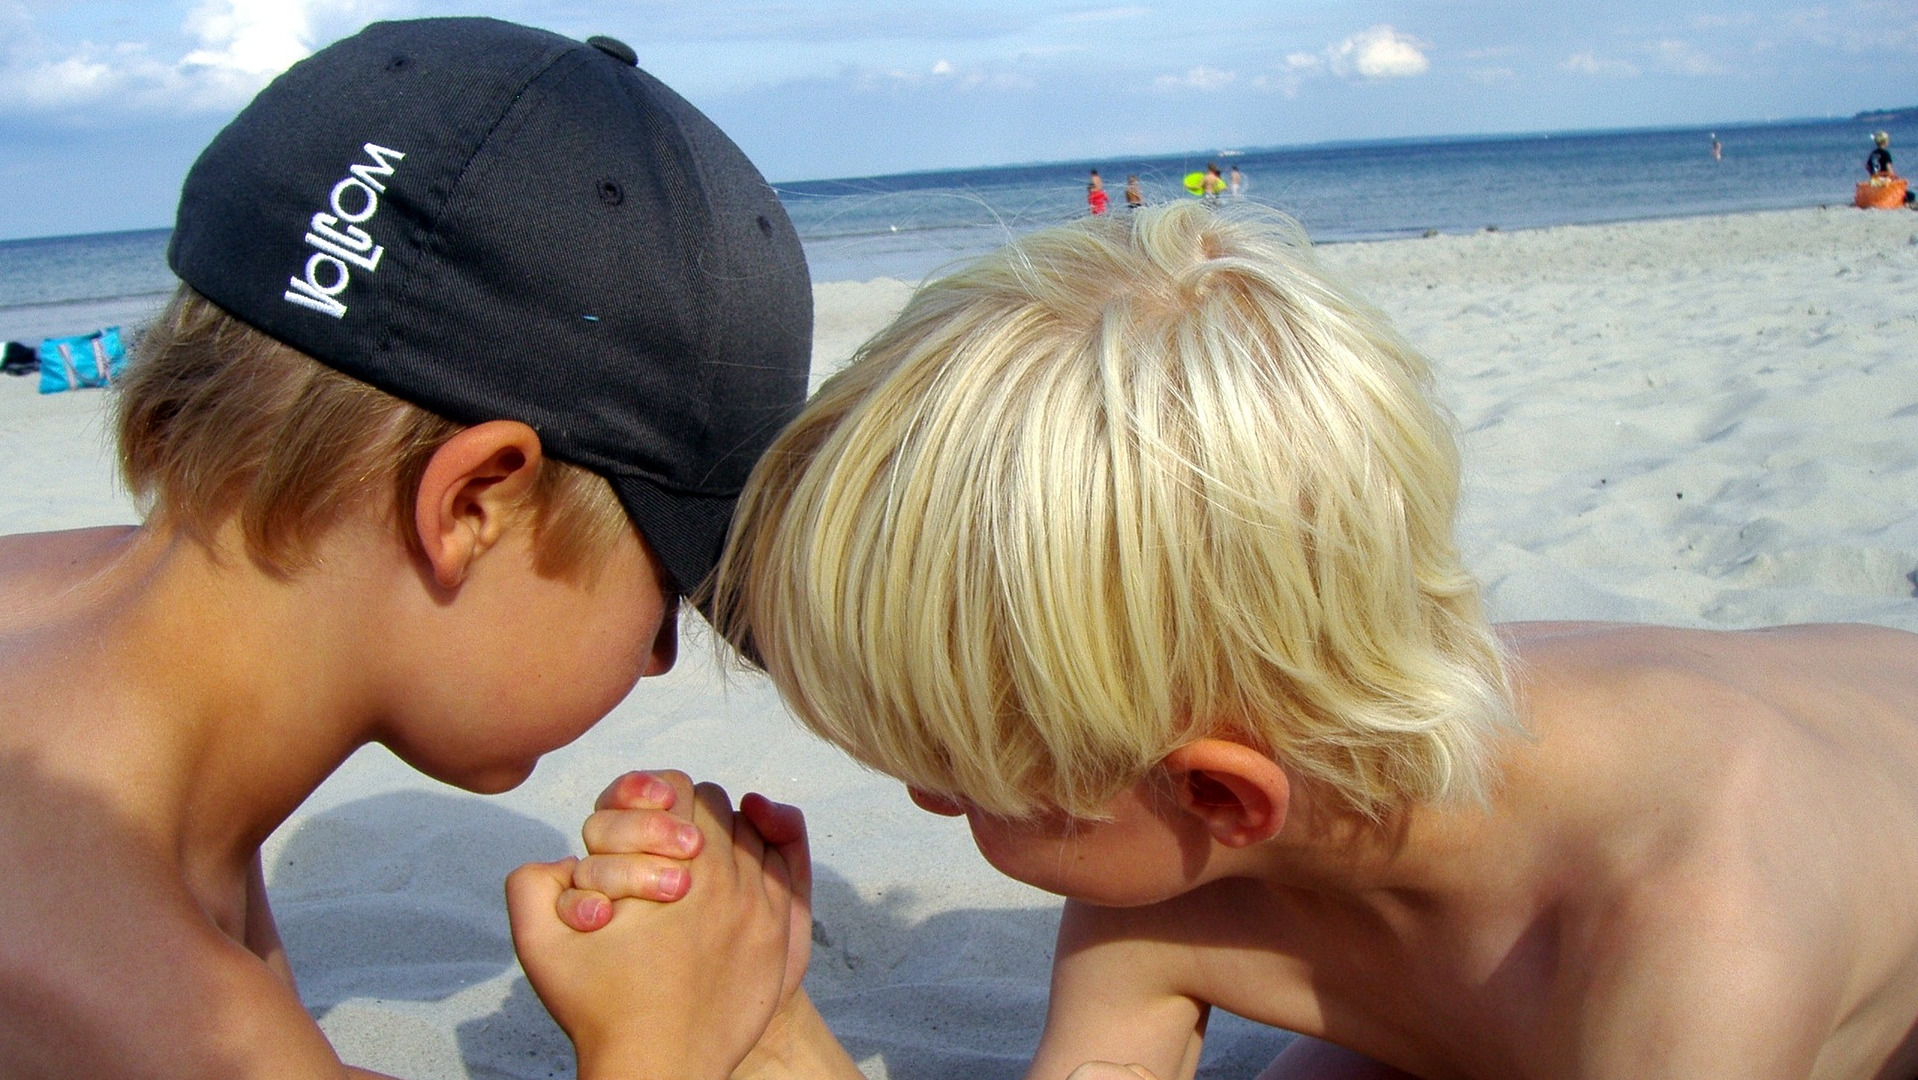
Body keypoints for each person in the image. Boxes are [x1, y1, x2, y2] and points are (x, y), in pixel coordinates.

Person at [582, 202, 1918, 1080]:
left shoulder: (1693, 951)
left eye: (950, 785)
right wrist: (765, 1028)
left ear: (1217, 789)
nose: (920, 803)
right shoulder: (1176, 848)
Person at [0, 17, 815, 1079]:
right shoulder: (128, 986)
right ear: (474, 504)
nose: (655, 657)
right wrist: (663, 1044)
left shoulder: (102, 655)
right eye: (668, 586)